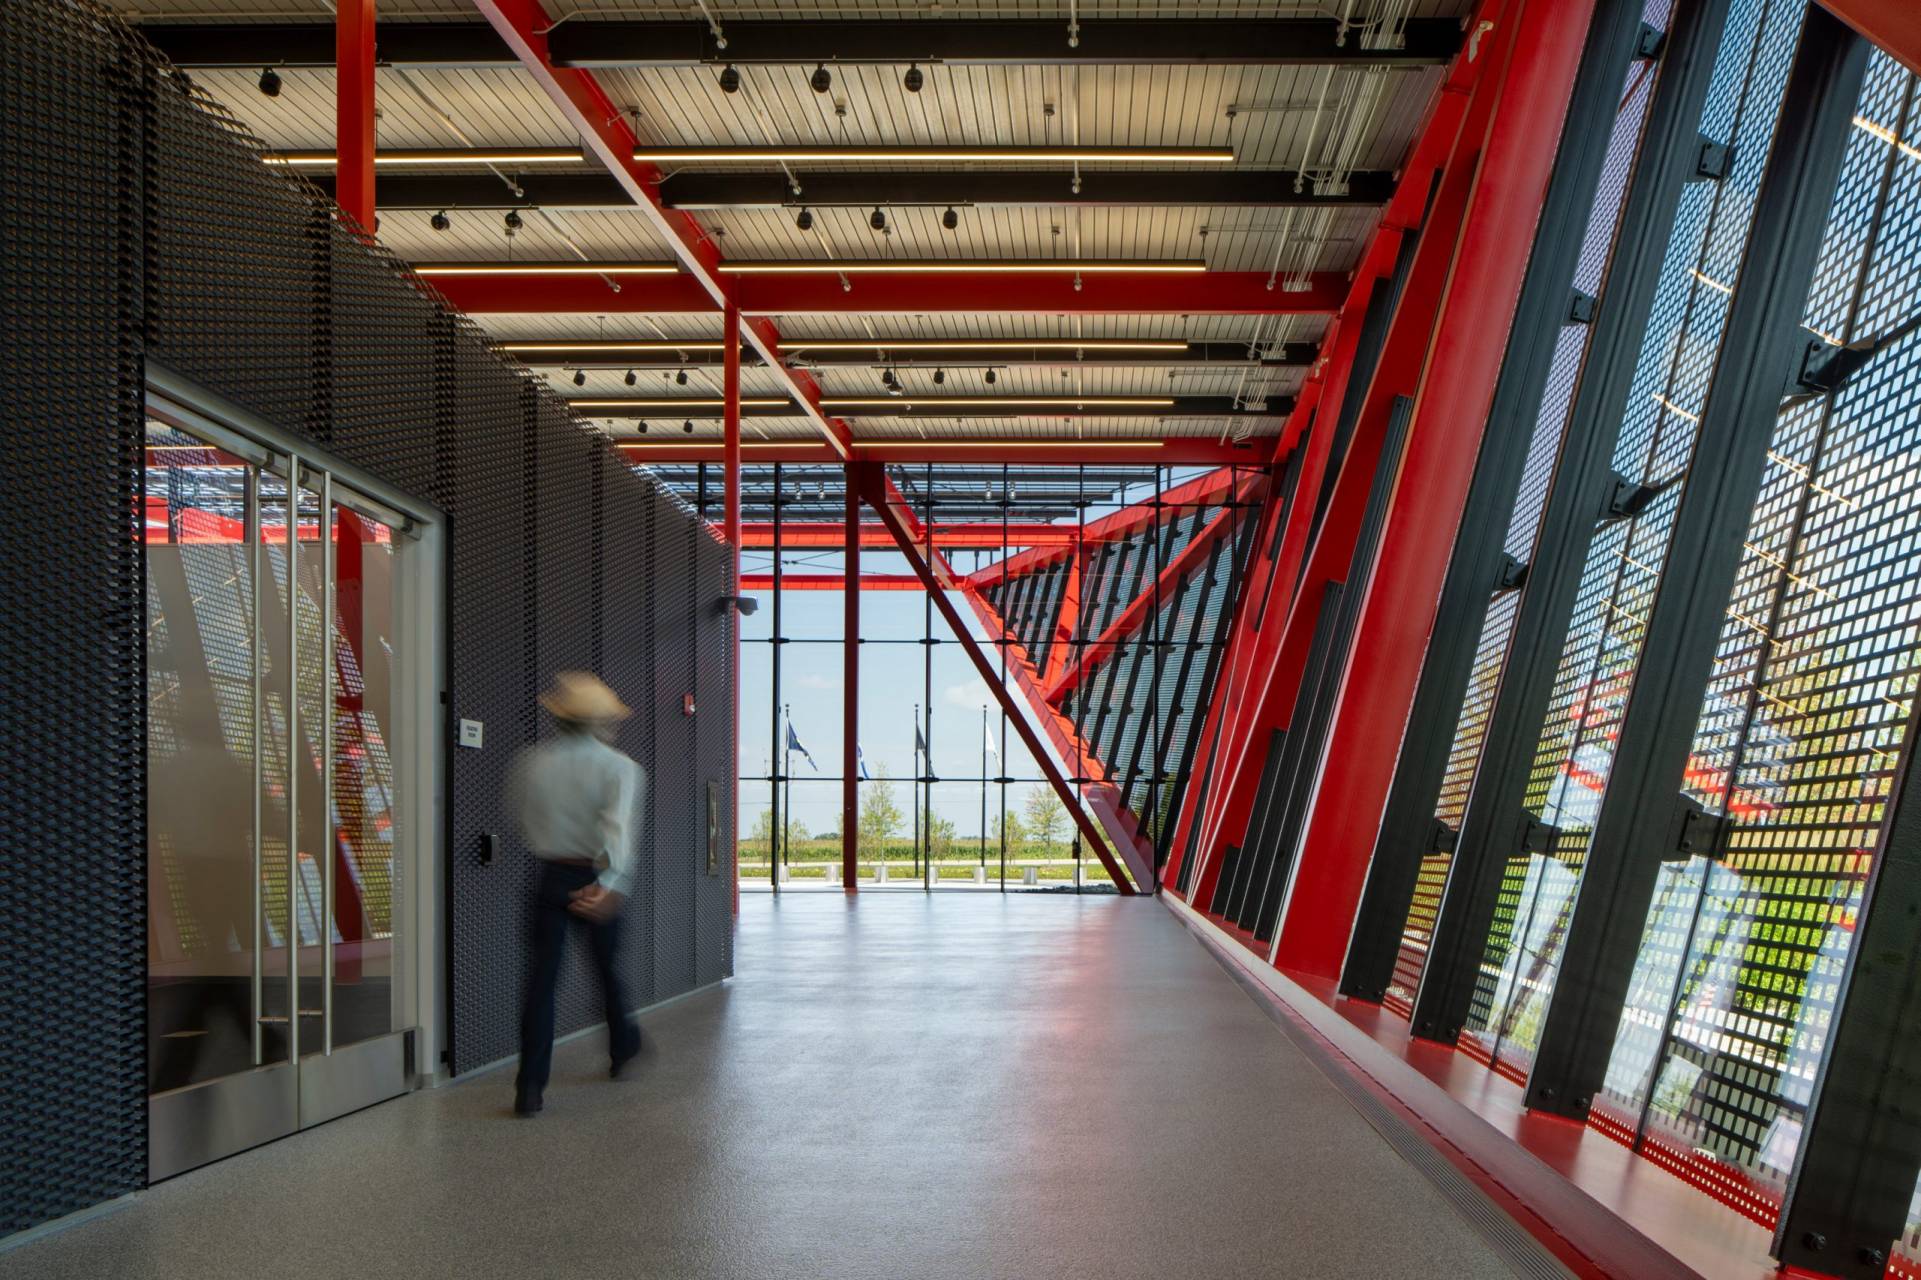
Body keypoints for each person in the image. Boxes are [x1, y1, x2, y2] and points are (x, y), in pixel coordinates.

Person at [510, 671, 646, 1117]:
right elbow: (617, 829)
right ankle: (623, 1048)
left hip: (549, 874)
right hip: (594, 875)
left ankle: (530, 1087)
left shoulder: (532, 764)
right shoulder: (620, 767)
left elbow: (523, 820)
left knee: (541, 983)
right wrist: (611, 883)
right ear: (599, 722)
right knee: (607, 971)